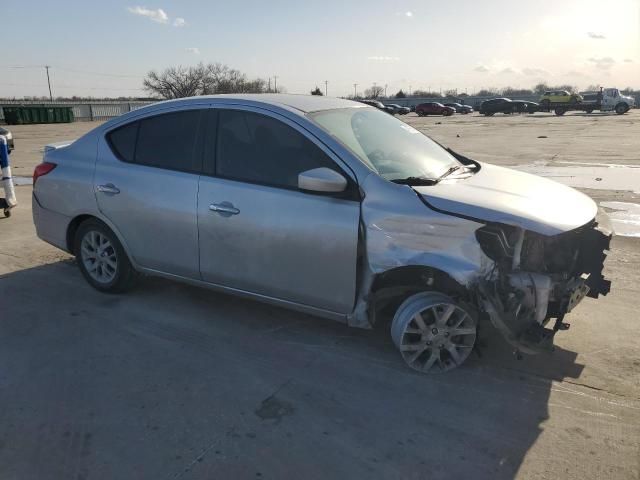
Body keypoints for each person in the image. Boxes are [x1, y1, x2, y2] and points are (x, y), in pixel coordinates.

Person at [0, 135, 17, 217]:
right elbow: (9, 150)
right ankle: (10, 202)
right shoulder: (4, 136)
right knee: (8, 181)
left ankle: (8, 202)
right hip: (5, 165)